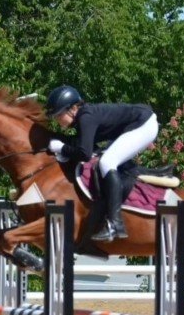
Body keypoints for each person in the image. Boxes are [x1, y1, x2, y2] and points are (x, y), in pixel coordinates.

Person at [45, 85, 159, 242]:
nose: (57, 120)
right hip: (140, 122)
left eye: (59, 115)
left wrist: (62, 148)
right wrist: (65, 151)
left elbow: (84, 154)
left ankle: (115, 224)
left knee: (107, 162)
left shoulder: (86, 117)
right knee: (106, 158)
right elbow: (84, 146)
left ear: (72, 109)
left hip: (143, 124)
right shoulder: (83, 118)